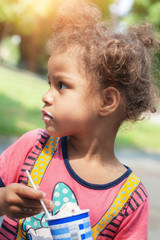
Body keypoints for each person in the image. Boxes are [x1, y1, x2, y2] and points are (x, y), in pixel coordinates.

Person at [0, 0, 159, 239]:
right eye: (49, 83)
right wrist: (2, 201)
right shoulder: (33, 148)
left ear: (106, 102)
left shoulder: (130, 200)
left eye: (62, 85)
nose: (46, 96)